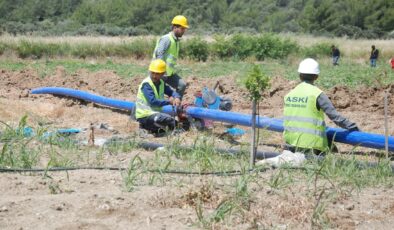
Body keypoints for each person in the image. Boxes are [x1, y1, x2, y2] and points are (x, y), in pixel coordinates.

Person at [282, 58, 359, 155]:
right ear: (316, 76)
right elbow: (334, 116)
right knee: (332, 149)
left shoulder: (290, 94)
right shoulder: (317, 94)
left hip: (290, 144)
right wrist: (353, 127)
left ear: (300, 75)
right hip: (312, 145)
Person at [135, 59, 181, 135]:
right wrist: (169, 102)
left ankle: (156, 130)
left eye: (157, 73)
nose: (154, 76)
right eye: (153, 73)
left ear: (162, 74)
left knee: (173, 123)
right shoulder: (146, 84)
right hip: (144, 116)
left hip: (155, 114)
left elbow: (171, 92)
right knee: (163, 120)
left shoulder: (161, 83)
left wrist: (177, 97)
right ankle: (145, 127)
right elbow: (152, 101)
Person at [152, 15, 189, 99]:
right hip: (158, 73)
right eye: (182, 29)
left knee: (182, 85)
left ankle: (176, 106)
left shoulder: (176, 41)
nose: (184, 31)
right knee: (158, 96)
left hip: (169, 74)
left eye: (184, 29)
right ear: (175, 27)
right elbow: (159, 55)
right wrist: (161, 72)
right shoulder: (166, 39)